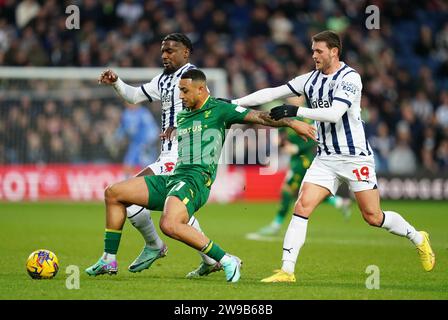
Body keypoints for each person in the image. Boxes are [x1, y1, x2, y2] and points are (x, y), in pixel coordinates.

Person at [232, 30, 435, 282]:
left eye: (319, 51)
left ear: (334, 51)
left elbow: (335, 113)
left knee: (373, 216)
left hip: (354, 158)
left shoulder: (350, 78)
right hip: (325, 158)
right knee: (302, 206)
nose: (313, 55)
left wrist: (296, 109)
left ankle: (418, 237)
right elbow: (273, 92)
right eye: (312, 50)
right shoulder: (310, 79)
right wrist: (232, 103)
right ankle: (287, 270)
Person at [85, 69, 316, 282]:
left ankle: (226, 260)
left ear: (201, 89)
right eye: (179, 91)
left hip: (196, 180)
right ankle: (109, 260)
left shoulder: (219, 109)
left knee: (170, 224)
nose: (181, 96)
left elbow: (261, 117)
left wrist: (291, 123)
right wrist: (173, 130)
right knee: (114, 193)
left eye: (185, 91)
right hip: (174, 177)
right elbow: (189, 129)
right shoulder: (185, 115)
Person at [91, 33, 220, 277]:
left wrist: (182, 131)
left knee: (123, 194)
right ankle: (210, 258)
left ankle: (153, 246)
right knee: (176, 210)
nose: (164, 55)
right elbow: (134, 96)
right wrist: (117, 82)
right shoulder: (163, 79)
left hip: (182, 158)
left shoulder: (193, 79)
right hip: (167, 156)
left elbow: (209, 115)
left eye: (171, 50)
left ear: (186, 53)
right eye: (163, 50)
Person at [246, 114, 351, 240]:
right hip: (294, 160)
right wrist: (280, 141)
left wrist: (296, 148)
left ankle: (276, 225)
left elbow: (315, 138)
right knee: (305, 192)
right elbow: (282, 135)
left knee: (287, 190)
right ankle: (339, 202)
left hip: (304, 160)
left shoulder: (309, 117)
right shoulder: (286, 115)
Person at [114, 103, 159, 178]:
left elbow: (152, 129)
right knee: (127, 166)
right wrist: (117, 138)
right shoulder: (126, 114)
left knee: (147, 168)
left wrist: (150, 141)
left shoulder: (143, 113)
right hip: (134, 145)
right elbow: (122, 128)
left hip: (145, 146)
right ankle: (126, 184)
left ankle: (149, 186)